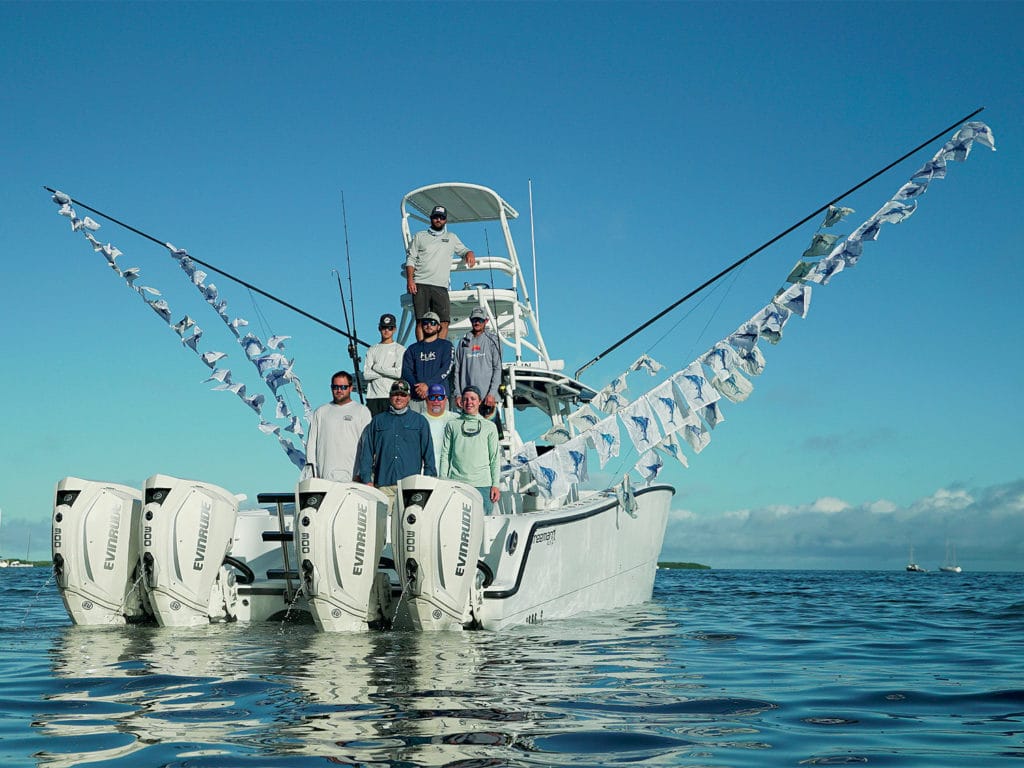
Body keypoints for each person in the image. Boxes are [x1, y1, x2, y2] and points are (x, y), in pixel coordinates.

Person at [356, 379, 436, 502]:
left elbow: (429, 454)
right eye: (395, 394)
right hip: (384, 485)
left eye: (403, 395)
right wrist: (366, 479)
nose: (399, 398)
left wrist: (427, 481)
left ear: (408, 397)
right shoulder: (377, 421)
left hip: (411, 486)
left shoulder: (420, 421)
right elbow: (367, 452)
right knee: (382, 521)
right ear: (390, 396)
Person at [405, 205, 476, 340]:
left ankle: (440, 347)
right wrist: (410, 280)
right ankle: (421, 348)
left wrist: (470, 253)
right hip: (420, 283)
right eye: (436, 217)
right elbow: (411, 259)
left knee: (444, 320)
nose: (438, 220)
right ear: (431, 218)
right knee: (421, 319)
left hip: (441, 285)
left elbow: (464, 250)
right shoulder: (420, 236)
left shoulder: (452, 237)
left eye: (441, 217)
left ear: (445, 220)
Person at [439, 385, 501, 515]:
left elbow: (494, 458)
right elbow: (445, 455)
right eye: (466, 399)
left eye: (473, 399)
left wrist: (495, 484)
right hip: (457, 484)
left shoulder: (489, 427)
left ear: (479, 401)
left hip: (483, 485)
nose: (469, 402)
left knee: (482, 526)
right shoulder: (452, 425)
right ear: (461, 402)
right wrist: (443, 481)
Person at [301, 371, 371, 482]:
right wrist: (313, 474)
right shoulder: (320, 412)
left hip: (353, 479)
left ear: (350, 388)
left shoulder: (362, 411)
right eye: (335, 387)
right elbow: (311, 445)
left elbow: (368, 446)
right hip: (325, 479)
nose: (339, 390)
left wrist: (361, 474)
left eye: (343, 387)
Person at [401, 311, 454, 413]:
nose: (429, 325)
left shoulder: (446, 345)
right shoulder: (412, 348)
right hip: (416, 399)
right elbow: (406, 371)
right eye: (426, 322)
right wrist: (418, 388)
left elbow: (447, 368)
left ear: (438, 327)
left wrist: (428, 385)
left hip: (438, 398)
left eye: (433, 323)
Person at [454, 306, 502, 413]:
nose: (477, 323)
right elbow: (457, 371)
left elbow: (497, 369)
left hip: (487, 400)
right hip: (468, 401)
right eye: (474, 320)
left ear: (486, 321)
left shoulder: (493, 340)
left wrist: (492, 394)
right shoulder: (463, 342)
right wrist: (458, 394)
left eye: (480, 320)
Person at [362, 312, 405, 417]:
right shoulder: (372, 349)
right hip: (372, 398)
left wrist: (376, 367)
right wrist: (388, 371)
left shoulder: (400, 349)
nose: (386, 330)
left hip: (391, 396)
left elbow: (398, 373)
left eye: (390, 328)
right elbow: (366, 374)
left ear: (394, 329)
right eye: (383, 327)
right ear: (379, 328)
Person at [423, 382, 456, 467]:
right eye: (432, 397)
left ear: (445, 400)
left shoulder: (455, 419)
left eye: (440, 397)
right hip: (426, 470)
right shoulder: (419, 420)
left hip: (449, 470)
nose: (436, 401)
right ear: (426, 400)